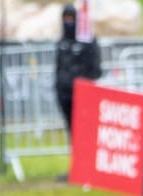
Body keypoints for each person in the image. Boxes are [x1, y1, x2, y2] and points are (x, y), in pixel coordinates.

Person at [54, 3, 102, 132]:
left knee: (84, 129)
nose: (69, 21)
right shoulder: (62, 42)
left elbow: (95, 68)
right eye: (66, 18)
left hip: (82, 93)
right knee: (71, 129)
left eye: (71, 18)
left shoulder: (86, 41)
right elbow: (58, 67)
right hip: (65, 94)